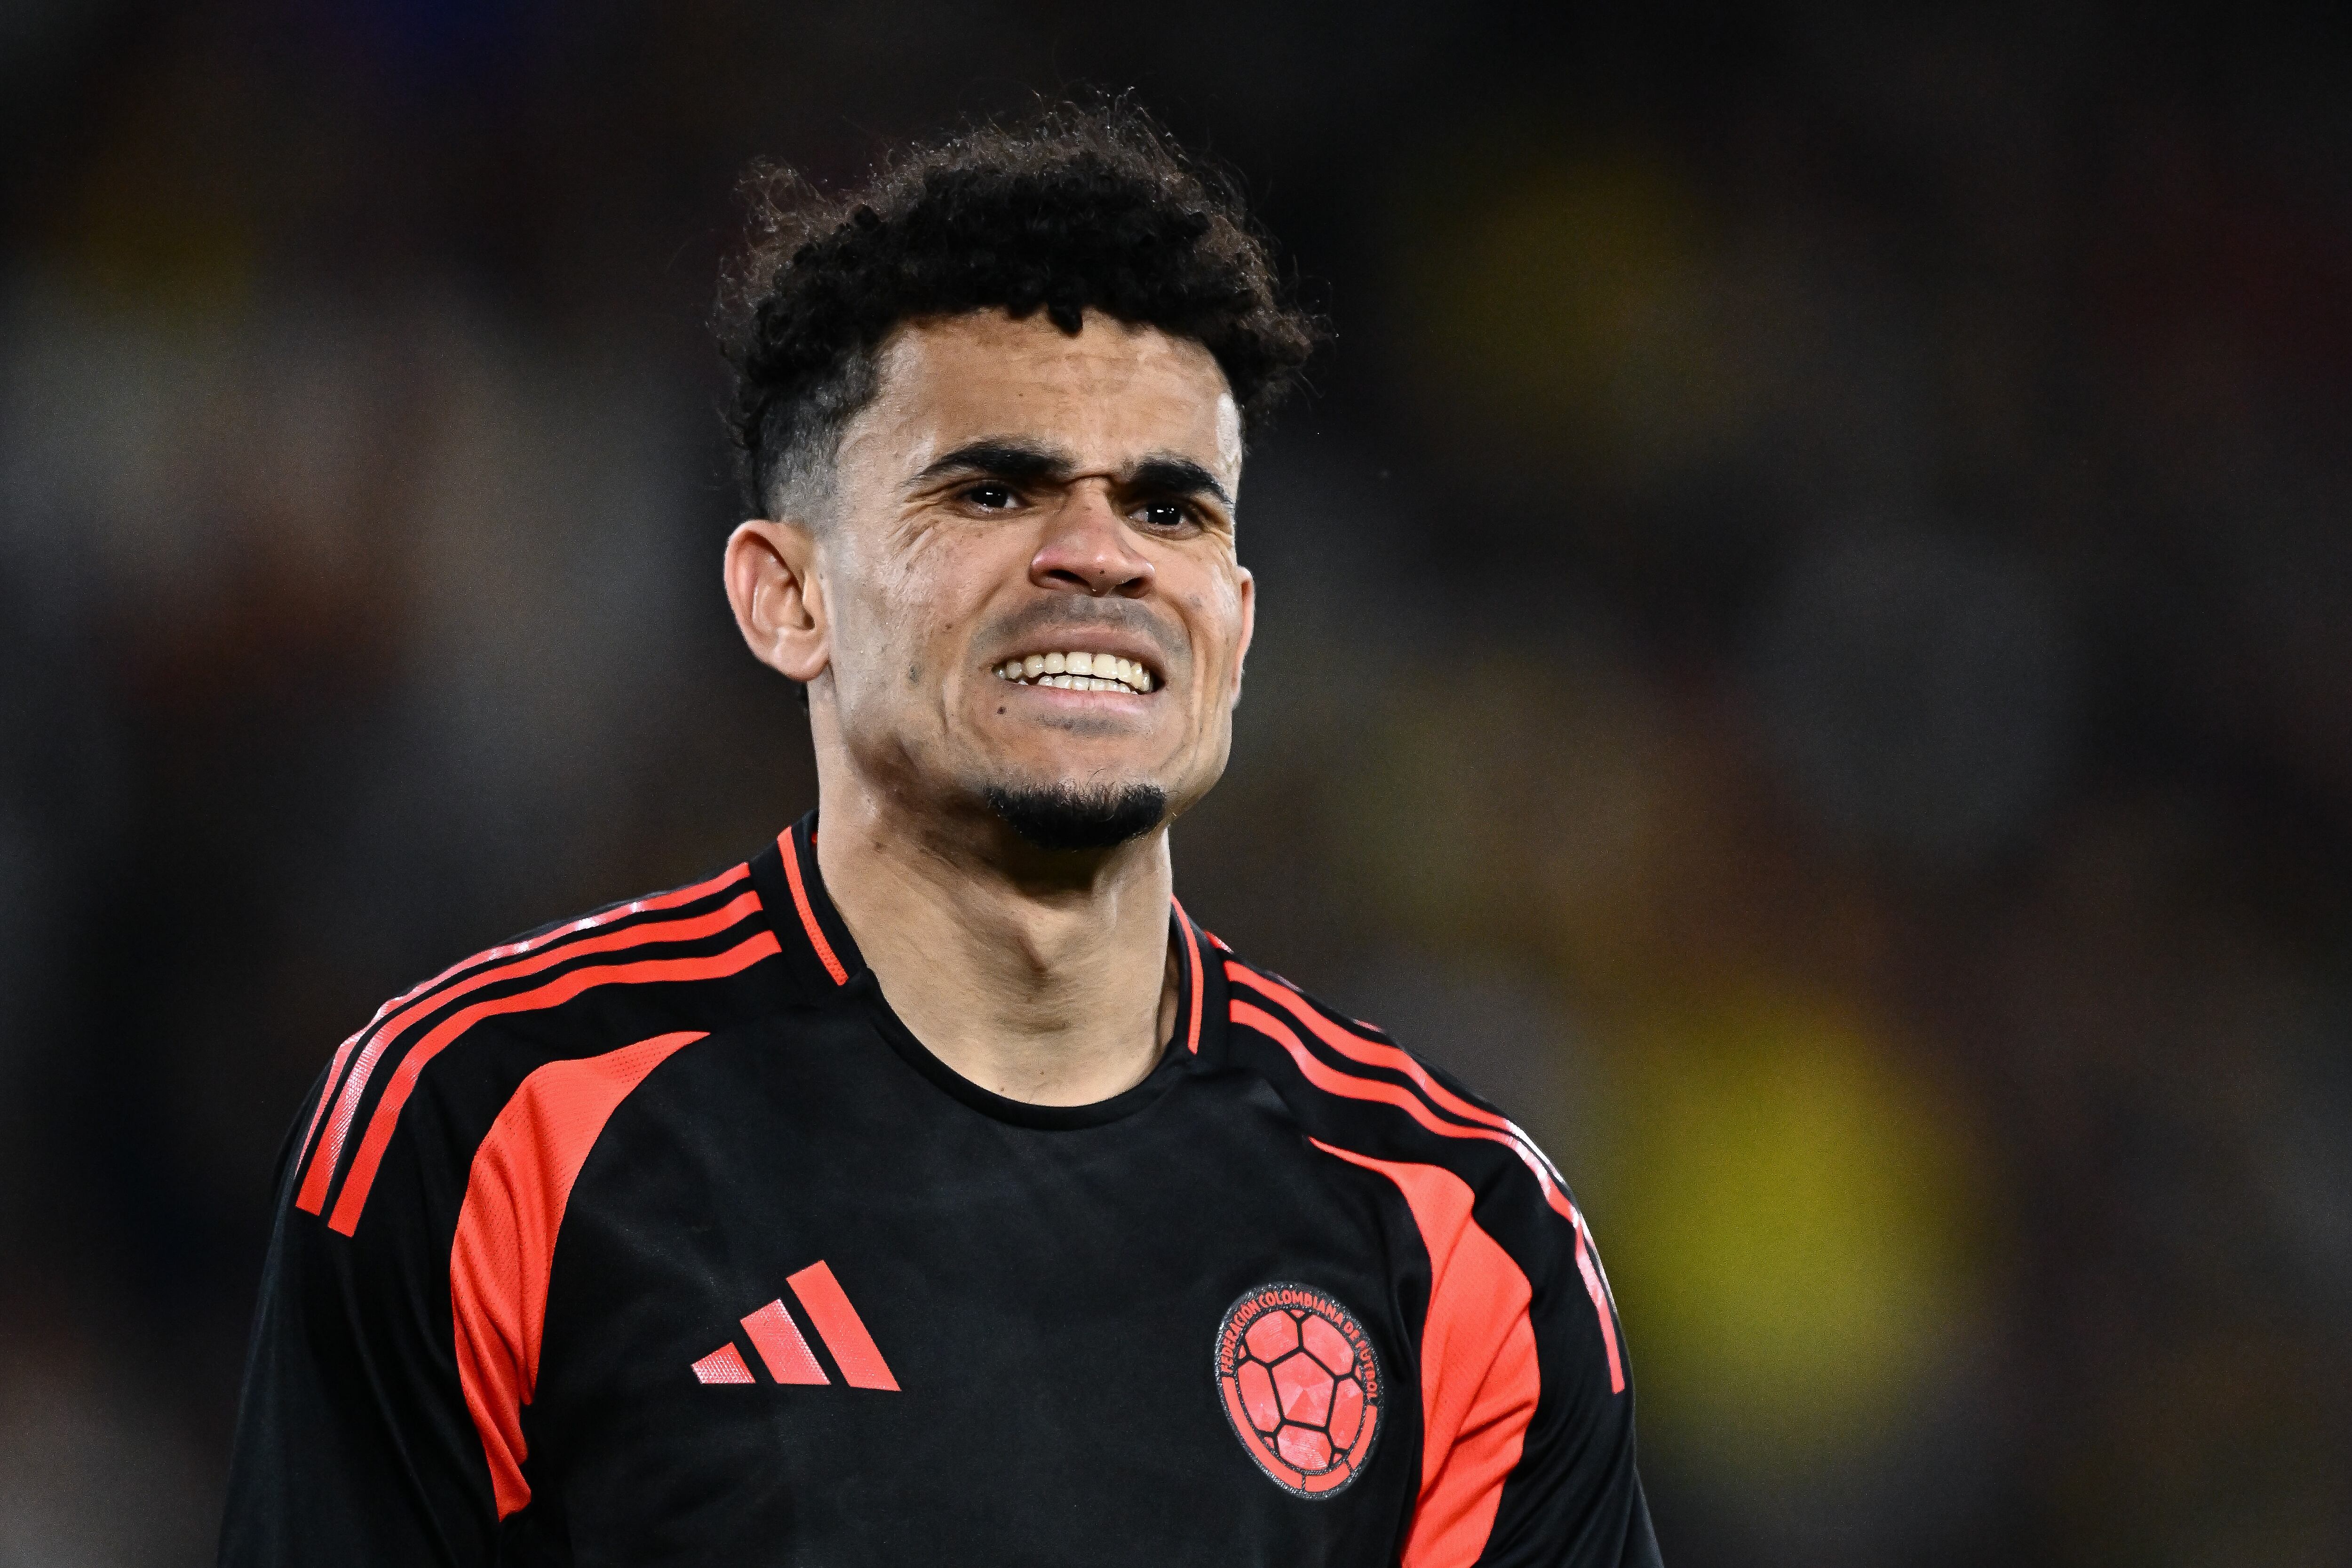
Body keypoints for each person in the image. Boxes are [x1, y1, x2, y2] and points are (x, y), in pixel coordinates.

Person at [216, 101, 1660, 1567]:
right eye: (993, 488)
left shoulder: (1461, 1232)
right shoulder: (489, 1124)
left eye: (1169, 508)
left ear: (1234, 620)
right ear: (789, 598)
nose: (1097, 553)